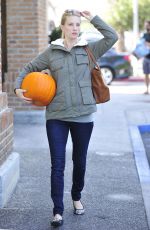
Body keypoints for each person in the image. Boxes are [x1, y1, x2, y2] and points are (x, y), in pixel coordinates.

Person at [14, 10, 118, 227]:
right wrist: (17, 87)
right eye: (70, 24)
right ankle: (57, 210)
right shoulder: (52, 52)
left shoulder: (89, 49)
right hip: (57, 116)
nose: (74, 28)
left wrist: (94, 18)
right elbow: (28, 68)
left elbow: (112, 36)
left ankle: (76, 196)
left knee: (79, 162)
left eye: (77, 25)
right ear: (62, 27)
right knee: (57, 164)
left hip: (83, 115)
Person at [143, 20, 150, 94]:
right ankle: (147, 89)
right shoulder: (144, 35)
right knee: (146, 74)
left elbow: (146, 44)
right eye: (145, 25)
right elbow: (142, 44)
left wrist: (147, 44)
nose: (146, 26)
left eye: (147, 25)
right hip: (146, 57)